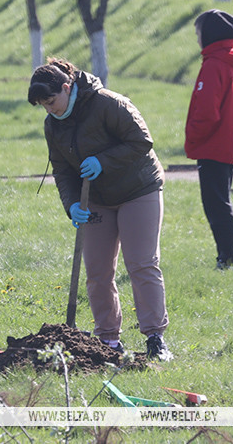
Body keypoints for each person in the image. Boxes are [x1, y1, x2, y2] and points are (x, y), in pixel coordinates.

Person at [28, 58, 172, 360]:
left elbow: (142, 141)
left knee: (141, 263)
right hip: (93, 197)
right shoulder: (52, 125)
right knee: (97, 270)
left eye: (52, 101)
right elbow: (62, 171)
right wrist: (72, 206)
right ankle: (107, 340)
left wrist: (103, 161)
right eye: (43, 105)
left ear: (67, 87)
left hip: (138, 189)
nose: (49, 109)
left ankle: (155, 338)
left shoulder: (109, 104)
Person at [185, 9, 233, 271]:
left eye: (199, 33)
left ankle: (229, 259)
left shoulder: (213, 65)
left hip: (213, 145)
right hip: (229, 141)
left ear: (208, 35)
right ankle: (227, 256)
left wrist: (193, 138)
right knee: (220, 201)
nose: (197, 38)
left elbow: (207, 111)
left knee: (216, 205)